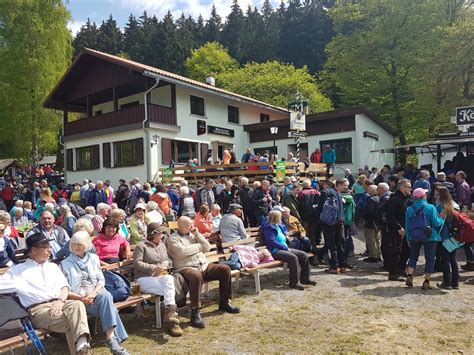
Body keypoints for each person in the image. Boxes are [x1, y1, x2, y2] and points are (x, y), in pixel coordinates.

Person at [0, 232, 92, 354]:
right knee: (74, 321)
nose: (50, 250)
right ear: (34, 250)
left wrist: (60, 301)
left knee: (77, 305)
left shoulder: (52, 267)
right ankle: (83, 346)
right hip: (39, 311)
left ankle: (82, 347)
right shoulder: (18, 271)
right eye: (46, 247)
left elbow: (65, 287)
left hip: (62, 304)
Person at [61, 231, 130, 355]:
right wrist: (82, 298)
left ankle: (110, 338)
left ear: (86, 245)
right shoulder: (65, 264)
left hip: (96, 296)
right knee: (108, 304)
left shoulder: (93, 258)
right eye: (74, 244)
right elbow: (65, 289)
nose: (76, 247)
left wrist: (94, 293)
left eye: (80, 244)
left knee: (105, 295)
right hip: (79, 302)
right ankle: (113, 343)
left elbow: (101, 280)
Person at [167, 217, 239, 329]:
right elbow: (182, 252)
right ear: (181, 226)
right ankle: (195, 312)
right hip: (185, 268)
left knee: (225, 269)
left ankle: (225, 302)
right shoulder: (173, 239)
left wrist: (198, 235)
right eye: (189, 224)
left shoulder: (193, 235)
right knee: (196, 275)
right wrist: (198, 247)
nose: (192, 226)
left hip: (203, 265)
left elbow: (207, 247)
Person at [133, 224, 184, 337]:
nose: (162, 236)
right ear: (154, 234)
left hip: (159, 277)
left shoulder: (162, 246)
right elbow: (137, 263)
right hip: (141, 279)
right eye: (160, 233)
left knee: (169, 279)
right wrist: (154, 268)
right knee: (170, 288)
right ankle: (172, 317)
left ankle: (170, 314)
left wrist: (166, 264)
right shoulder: (141, 246)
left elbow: (167, 259)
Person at [261, 210, 316, 290]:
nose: (281, 217)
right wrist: (285, 247)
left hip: (284, 248)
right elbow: (271, 241)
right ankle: (294, 282)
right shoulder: (269, 227)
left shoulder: (278, 225)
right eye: (280, 216)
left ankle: (305, 278)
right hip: (275, 251)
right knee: (293, 258)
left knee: (303, 255)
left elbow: (285, 235)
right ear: (276, 217)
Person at [405, 188, 445, 290]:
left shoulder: (409, 209)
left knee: (413, 256)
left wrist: (408, 237)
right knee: (430, 258)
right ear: (424, 196)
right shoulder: (430, 207)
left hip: (414, 236)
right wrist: (441, 218)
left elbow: (407, 225)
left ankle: (409, 275)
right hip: (429, 236)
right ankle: (426, 281)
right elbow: (436, 223)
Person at [317, 179, 348, 273]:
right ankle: (341, 265)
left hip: (330, 222)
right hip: (337, 222)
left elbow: (320, 208)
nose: (346, 187)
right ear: (338, 185)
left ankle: (335, 266)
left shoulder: (327, 192)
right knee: (338, 244)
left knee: (333, 244)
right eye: (345, 185)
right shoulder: (336, 193)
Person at [383, 180, 412, 280]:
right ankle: (393, 273)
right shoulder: (395, 199)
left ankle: (400, 268)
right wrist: (398, 227)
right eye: (408, 187)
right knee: (396, 251)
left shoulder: (405, 199)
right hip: (396, 230)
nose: (410, 189)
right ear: (402, 187)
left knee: (407, 250)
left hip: (405, 229)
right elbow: (390, 215)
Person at [434, 186, 460, 289]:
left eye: (437, 194)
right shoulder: (454, 205)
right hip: (453, 235)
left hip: (442, 236)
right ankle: (455, 283)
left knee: (445, 260)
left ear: (441, 195)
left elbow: (437, 222)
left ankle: (446, 282)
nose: (435, 196)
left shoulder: (440, 206)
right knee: (453, 259)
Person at [362, 185, 381, 262]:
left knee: (371, 240)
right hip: (377, 222)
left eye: (369, 188)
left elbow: (370, 211)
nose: (367, 189)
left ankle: (373, 256)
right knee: (377, 240)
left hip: (371, 223)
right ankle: (378, 255)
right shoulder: (378, 198)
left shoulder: (371, 199)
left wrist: (365, 217)